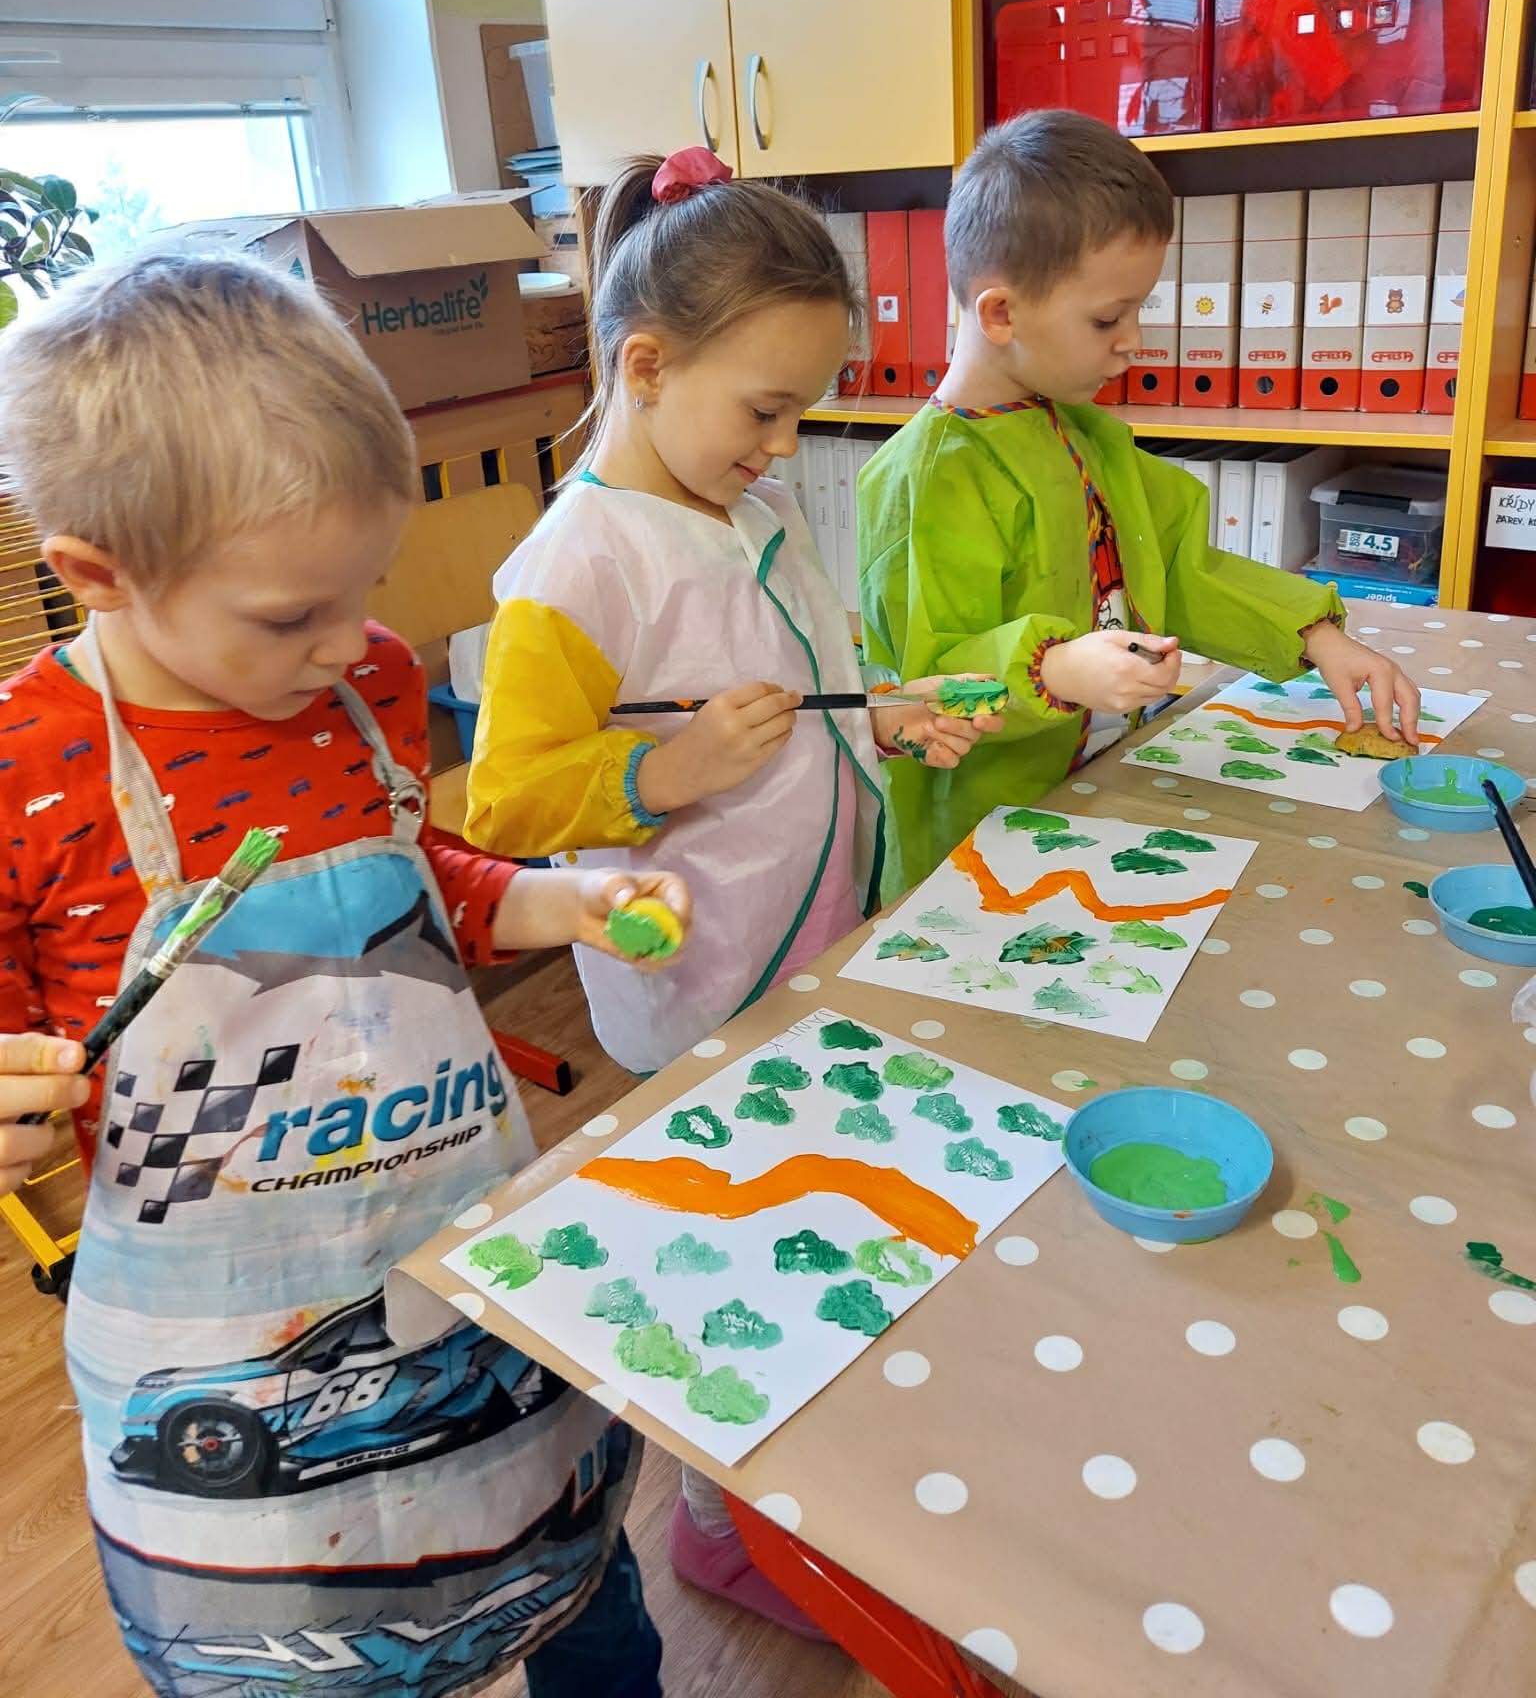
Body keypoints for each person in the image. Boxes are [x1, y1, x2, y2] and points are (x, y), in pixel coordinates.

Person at [0, 254, 686, 1698]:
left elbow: (420, 884)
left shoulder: (363, 681)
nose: (350, 642)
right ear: (95, 572)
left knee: (570, 1567)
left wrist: (562, 898)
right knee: (297, 1649)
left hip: (452, 1235)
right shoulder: (25, 768)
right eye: (287, 615)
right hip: (221, 1318)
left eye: (364, 589)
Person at [463, 146, 995, 1632]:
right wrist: (666, 771)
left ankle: (803, 1475)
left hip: (813, 930)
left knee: (807, 1213)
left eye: (801, 410)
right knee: (718, 1252)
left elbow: (806, 673)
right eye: (764, 409)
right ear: (647, 367)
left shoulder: (746, 508)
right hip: (697, 971)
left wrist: (883, 711)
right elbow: (505, 802)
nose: (783, 441)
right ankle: (714, 1525)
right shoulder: (573, 566)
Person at [858, 110, 1422, 894]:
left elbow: (1178, 568)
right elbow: (927, 686)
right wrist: (1057, 668)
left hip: (1101, 795)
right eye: (1107, 318)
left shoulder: (1085, 433)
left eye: (1137, 310)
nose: (1134, 341)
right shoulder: (926, 479)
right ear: (1001, 313)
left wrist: (1315, 632)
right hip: (982, 842)